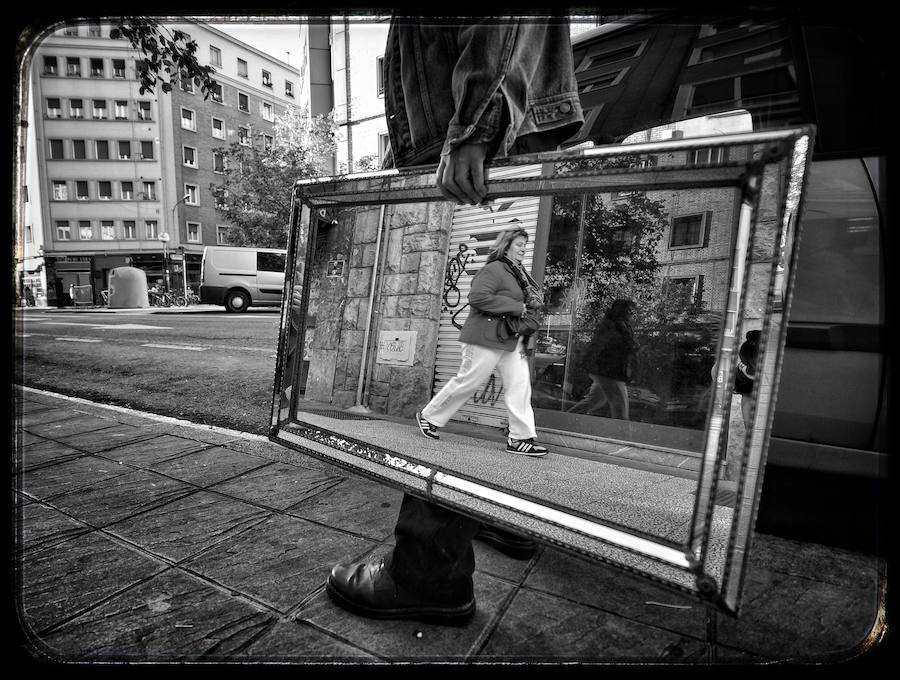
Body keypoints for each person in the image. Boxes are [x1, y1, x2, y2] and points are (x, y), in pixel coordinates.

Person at [325, 17, 583, 624]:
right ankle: (489, 509)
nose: (520, 250)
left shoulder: (508, 265)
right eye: (516, 247)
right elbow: (489, 299)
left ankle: (431, 573)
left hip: (481, 133)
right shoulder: (503, 269)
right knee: (471, 390)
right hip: (477, 137)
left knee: (495, 396)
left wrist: (475, 126)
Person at [416, 224, 548, 456]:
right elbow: (477, 297)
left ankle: (519, 438)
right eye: (519, 245)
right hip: (484, 337)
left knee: (520, 386)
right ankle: (429, 416)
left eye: (525, 246)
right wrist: (518, 307)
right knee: (468, 381)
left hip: (509, 337)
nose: (523, 250)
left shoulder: (517, 274)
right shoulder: (495, 269)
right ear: (506, 245)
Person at [567, 299, 637, 419]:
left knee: (594, 401)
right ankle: (620, 435)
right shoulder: (612, 326)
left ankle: (564, 419)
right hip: (609, 371)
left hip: (607, 371)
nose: (632, 313)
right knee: (620, 408)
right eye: (629, 310)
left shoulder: (621, 326)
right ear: (622, 311)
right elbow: (597, 346)